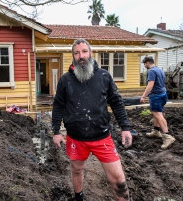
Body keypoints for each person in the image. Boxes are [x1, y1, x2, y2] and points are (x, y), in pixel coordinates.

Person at [51, 39, 132, 201]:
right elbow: (58, 105)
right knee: (76, 170)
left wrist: (125, 127)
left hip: (102, 138)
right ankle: (78, 197)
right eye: (76, 53)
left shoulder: (104, 76)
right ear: (73, 56)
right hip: (75, 138)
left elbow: (116, 102)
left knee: (119, 180)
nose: (81, 56)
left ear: (91, 53)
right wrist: (56, 131)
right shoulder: (65, 80)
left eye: (84, 52)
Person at [140, 56, 175, 149]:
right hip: (163, 95)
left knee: (158, 115)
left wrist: (143, 96)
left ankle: (167, 136)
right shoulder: (159, 70)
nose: (144, 66)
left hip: (156, 96)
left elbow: (150, 85)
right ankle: (156, 131)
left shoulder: (151, 71)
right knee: (156, 114)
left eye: (144, 64)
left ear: (147, 63)